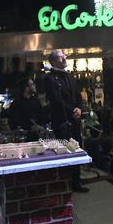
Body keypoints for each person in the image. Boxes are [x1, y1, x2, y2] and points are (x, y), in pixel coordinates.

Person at [42, 49, 88, 192]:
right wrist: (72, 110)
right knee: (65, 151)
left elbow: (78, 97)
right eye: (61, 57)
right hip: (62, 120)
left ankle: (76, 181)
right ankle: (65, 182)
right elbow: (56, 100)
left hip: (75, 120)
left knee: (76, 149)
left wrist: (79, 109)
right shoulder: (49, 79)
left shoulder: (70, 77)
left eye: (64, 57)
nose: (64, 59)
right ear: (54, 61)